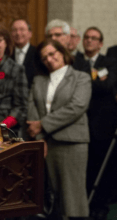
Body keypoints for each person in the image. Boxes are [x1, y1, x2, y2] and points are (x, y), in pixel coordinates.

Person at [27, 39, 91, 220]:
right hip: (45, 143)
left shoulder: (81, 77)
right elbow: (32, 108)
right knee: (51, 198)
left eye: (52, 53)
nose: (49, 59)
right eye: (44, 57)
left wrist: (43, 124)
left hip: (72, 142)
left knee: (73, 197)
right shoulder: (39, 80)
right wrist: (39, 136)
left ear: (62, 53)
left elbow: (77, 107)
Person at [83, 27, 117, 220]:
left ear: (101, 43)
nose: (89, 41)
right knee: (85, 169)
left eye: (94, 38)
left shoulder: (109, 62)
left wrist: (86, 77)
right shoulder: (77, 62)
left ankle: (100, 206)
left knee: (102, 168)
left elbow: (106, 85)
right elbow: (94, 82)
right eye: (87, 38)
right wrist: (95, 77)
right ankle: (85, 205)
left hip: (103, 125)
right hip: (80, 124)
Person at [10, 19, 36, 88]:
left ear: (30, 33)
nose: (18, 33)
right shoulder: (7, 54)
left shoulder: (38, 54)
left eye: (22, 30)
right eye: (14, 30)